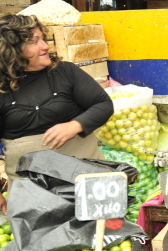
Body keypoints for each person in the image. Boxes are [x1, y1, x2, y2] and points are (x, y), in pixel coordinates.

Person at [0, 14, 113, 214]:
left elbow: (103, 104)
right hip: (31, 195)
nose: (45, 46)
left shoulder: (65, 72)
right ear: (11, 51)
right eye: (34, 42)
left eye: (43, 38)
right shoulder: (2, 89)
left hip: (87, 181)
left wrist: (75, 126)